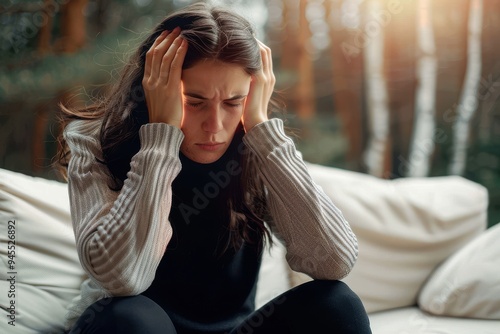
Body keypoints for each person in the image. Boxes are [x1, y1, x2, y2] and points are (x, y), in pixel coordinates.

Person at [56, 2, 371, 333]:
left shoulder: (256, 146)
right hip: (131, 325)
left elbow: (335, 261)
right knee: (129, 317)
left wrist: (262, 129)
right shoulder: (94, 142)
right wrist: (160, 140)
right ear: (152, 90)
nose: (215, 127)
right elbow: (121, 278)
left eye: (233, 103)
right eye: (194, 102)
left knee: (339, 304)